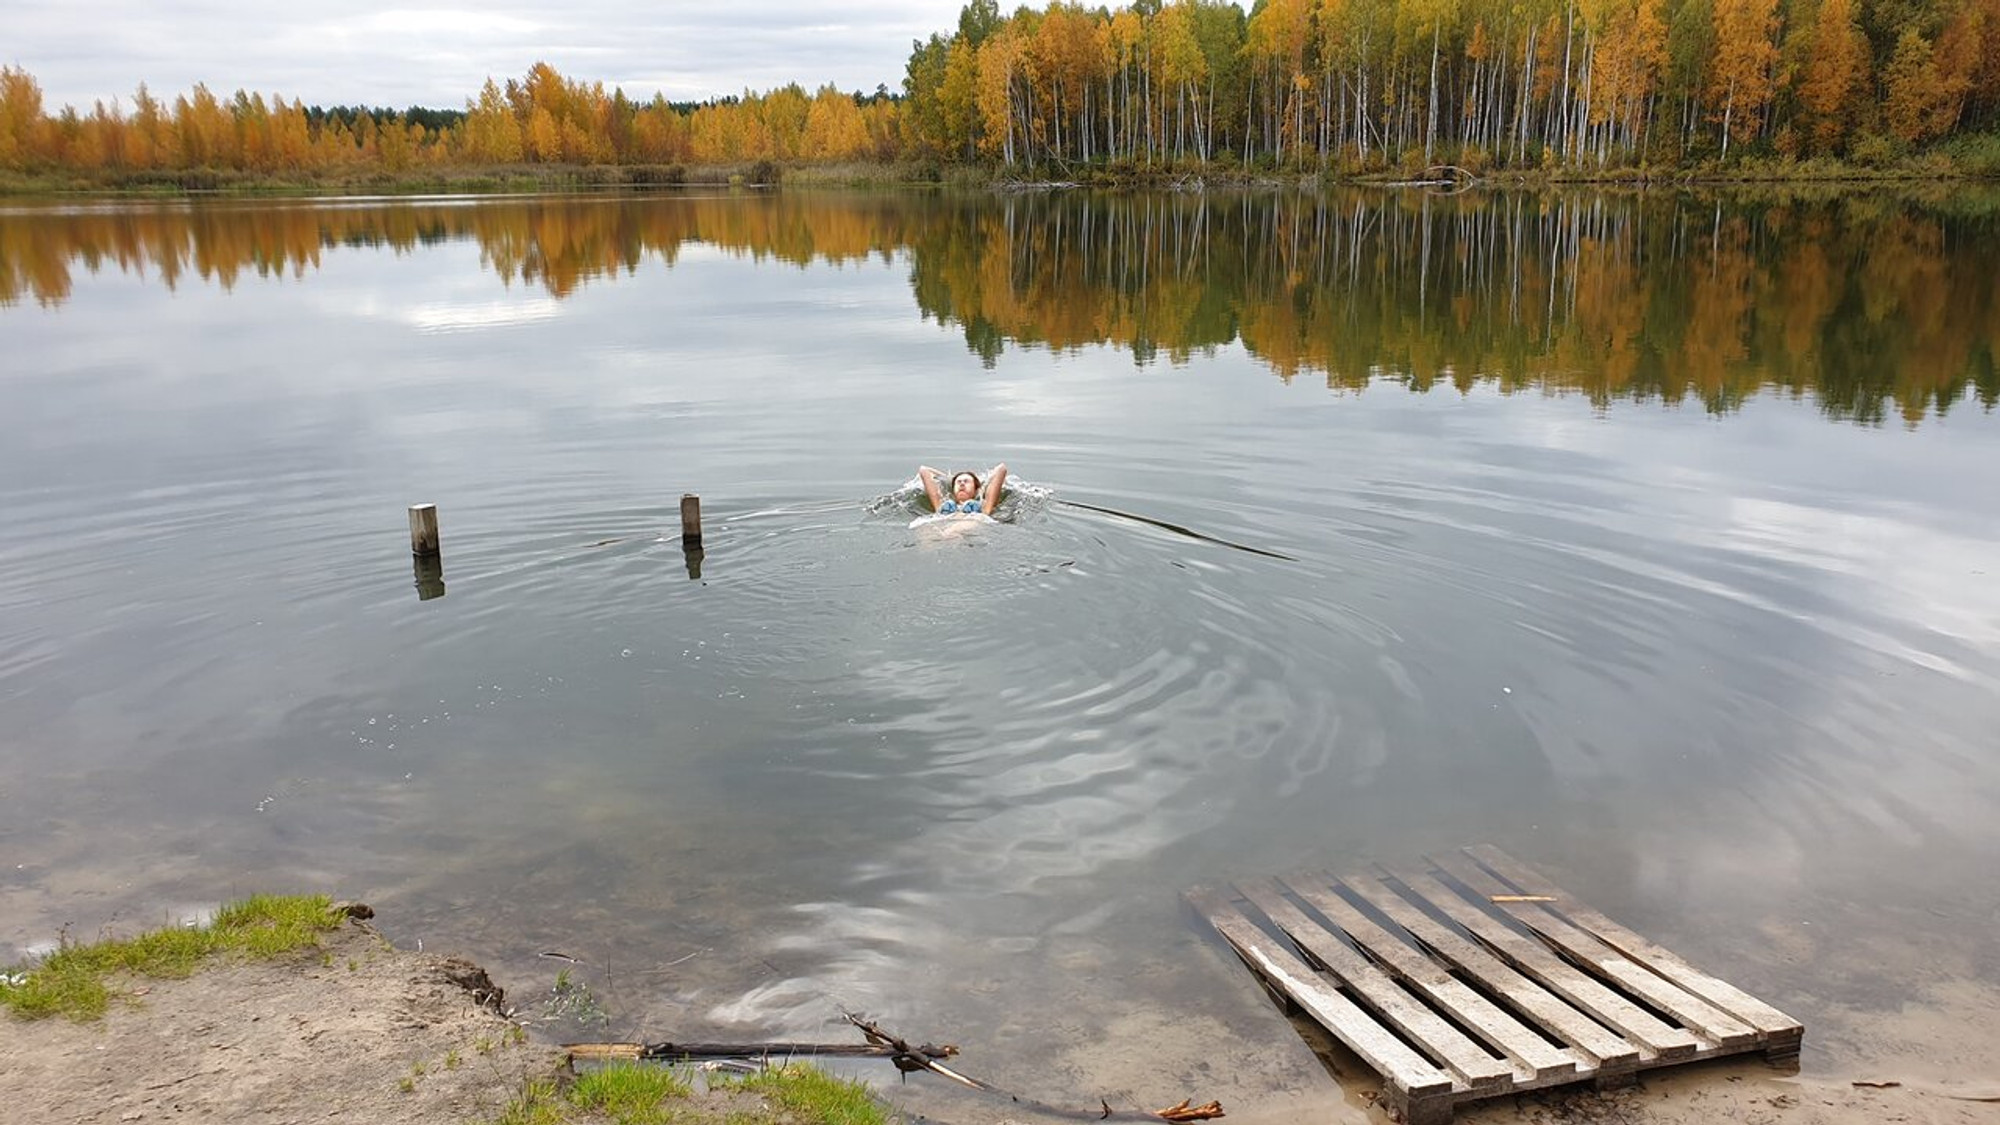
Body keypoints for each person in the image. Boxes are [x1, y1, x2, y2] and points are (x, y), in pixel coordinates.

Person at [919, 462, 1008, 517]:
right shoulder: (939, 506)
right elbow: (924, 470)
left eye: (966, 481)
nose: (962, 483)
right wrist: (949, 480)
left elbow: (1001, 469)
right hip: (939, 529)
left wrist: (983, 485)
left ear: (976, 490)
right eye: (958, 482)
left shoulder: (985, 508)